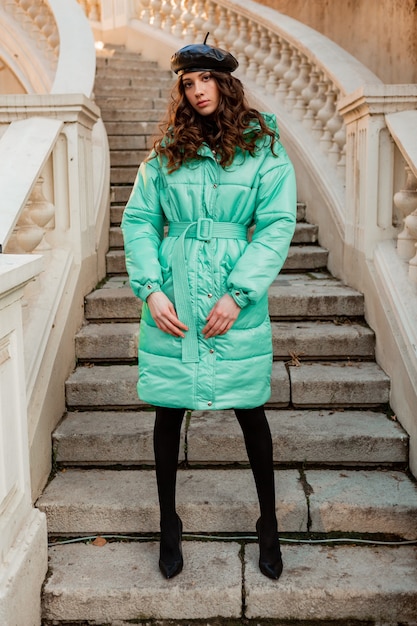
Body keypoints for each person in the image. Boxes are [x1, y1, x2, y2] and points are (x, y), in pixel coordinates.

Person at [121, 36, 297, 581]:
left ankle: (269, 522)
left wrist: (239, 291)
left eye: (205, 80)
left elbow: (275, 224)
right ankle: (167, 523)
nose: (198, 91)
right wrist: (151, 288)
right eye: (188, 84)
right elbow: (139, 222)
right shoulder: (167, 148)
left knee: (251, 411)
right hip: (173, 289)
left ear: (226, 83)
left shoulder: (261, 144)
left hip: (230, 289)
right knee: (168, 410)